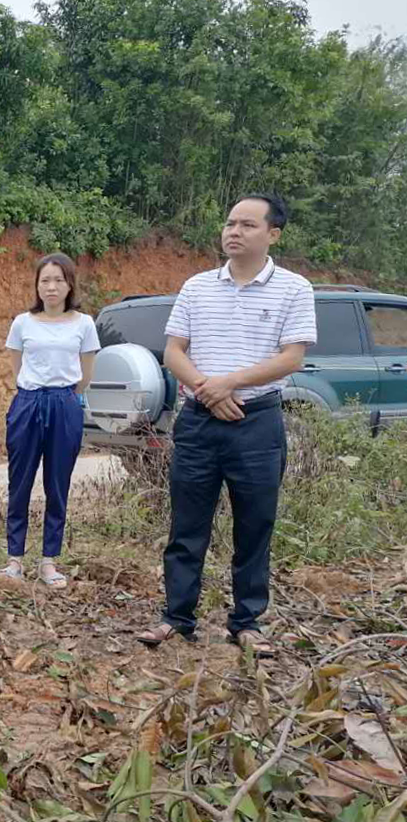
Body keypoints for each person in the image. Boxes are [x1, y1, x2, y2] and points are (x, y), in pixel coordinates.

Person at [138, 194, 314, 658]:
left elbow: (291, 357)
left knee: (255, 525)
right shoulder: (197, 287)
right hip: (198, 422)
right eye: (230, 223)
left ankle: (247, 622)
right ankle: (176, 618)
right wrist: (207, 390)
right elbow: (174, 351)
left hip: (256, 424)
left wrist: (228, 384)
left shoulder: (294, 289)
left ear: (273, 234)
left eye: (247, 225)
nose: (234, 231)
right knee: (186, 524)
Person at [0, 253, 100, 589]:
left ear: (70, 284)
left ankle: (49, 561)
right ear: (37, 285)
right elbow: (17, 368)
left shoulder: (84, 324)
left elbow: (85, 375)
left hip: (65, 404)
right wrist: (34, 393)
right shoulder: (22, 323)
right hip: (28, 403)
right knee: (20, 481)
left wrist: (64, 397)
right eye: (45, 280)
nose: (51, 287)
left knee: (57, 484)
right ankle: (14, 559)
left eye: (59, 280)